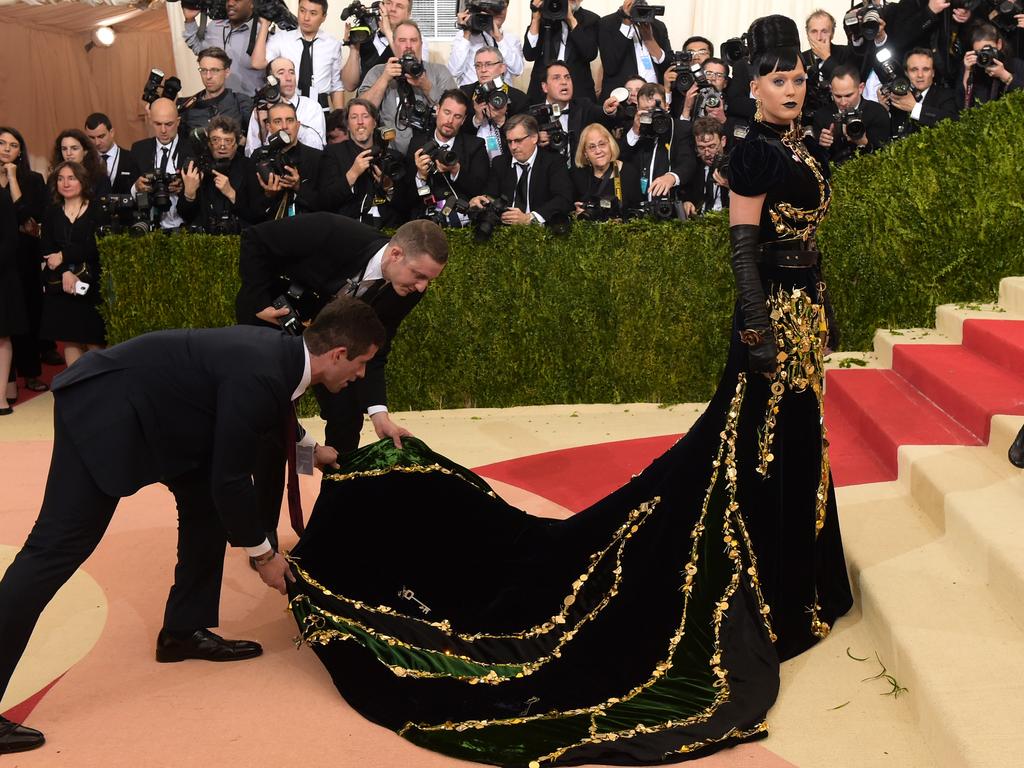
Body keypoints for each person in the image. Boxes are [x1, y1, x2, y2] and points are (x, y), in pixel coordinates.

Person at [281, 17, 853, 766]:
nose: (792, 88)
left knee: (800, 440)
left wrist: (821, 303)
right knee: (758, 445)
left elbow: (804, 239)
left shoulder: (799, 149)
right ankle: (770, 582)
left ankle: (800, 579)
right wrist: (757, 328)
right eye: (778, 80)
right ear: (752, 87)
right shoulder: (749, 154)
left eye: (798, 78)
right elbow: (743, 247)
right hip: (769, 325)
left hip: (802, 315)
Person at [0, 295, 386, 755]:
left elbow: (270, 414)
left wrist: (310, 451)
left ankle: (183, 631)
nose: (361, 376)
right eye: (362, 365)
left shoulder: (285, 355)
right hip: (104, 410)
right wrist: (263, 555)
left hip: (167, 418)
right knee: (53, 552)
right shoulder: (265, 369)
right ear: (339, 355)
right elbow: (231, 479)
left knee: (204, 510)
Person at [38, 162, 105, 367]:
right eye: (60, 179)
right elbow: (46, 249)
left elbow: (96, 246)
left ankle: (103, 390)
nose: (65, 183)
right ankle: (77, 390)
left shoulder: (96, 208)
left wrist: (64, 255)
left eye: (71, 178)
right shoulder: (52, 211)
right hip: (61, 284)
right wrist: (65, 272)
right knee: (69, 339)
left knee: (96, 341)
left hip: (91, 283)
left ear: (82, 181)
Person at [357, 20, 458, 154]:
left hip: (432, 153)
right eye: (402, 40)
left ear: (421, 44)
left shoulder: (439, 71)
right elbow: (362, 111)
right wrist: (384, 79)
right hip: (391, 154)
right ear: (394, 44)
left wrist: (427, 87)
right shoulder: (378, 72)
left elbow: (456, 112)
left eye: (414, 40)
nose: (408, 46)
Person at [0, 127, 48, 404]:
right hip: (1, 260)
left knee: (27, 314)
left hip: (24, 257)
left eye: (13, 145)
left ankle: (31, 372)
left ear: (21, 152)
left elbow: (29, 219)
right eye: (2, 143)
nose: (7, 148)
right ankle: (7, 379)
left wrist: (12, 177)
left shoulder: (31, 179)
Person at [469, 113, 574, 227]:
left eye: (518, 140)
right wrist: (481, 200)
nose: (513, 147)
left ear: (534, 137)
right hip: (504, 231)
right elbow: (491, 195)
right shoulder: (500, 163)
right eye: (510, 141)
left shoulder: (554, 162)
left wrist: (529, 218)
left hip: (541, 232)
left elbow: (563, 199)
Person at [318, 98, 410, 227]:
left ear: (374, 122)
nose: (360, 122)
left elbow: (407, 205)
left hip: (389, 231)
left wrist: (389, 187)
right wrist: (352, 174)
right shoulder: (333, 154)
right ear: (348, 125)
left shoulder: (394, 157)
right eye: (354, 117)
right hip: (350, 229)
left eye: (365, 116)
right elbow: (325, 201)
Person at [408, 89, 488, 226]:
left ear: (463, 120)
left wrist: (456, 171)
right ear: (437, 110)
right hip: (425, 220)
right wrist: (420, 176)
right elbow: (406, 196)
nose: (450, 121)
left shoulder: (475, 145)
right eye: (447, 112)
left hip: (463, 222)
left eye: (457, 116)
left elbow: (481, 189)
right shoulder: (418, 143)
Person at [252, 0, 344, 113]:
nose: (306, 18)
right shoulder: (281, 39)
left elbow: (336, 86)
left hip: (320, 109)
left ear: (323, 17)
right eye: (302, 11)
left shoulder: (332, 44)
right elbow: (257, 63)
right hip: (286, 107)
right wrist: (265, 25)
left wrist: (340, 119)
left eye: (313, 13)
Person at [179, 115, 263, 232]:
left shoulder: (249, 167)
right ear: (209, 143)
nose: (222, 145)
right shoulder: (197, 168)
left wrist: (231, 194)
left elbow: (257, 215)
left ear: (237, 143)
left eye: (228, 140)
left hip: (239, 237)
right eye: (216, 140)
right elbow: (185, 216)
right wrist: (189, 194)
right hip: (203, 239)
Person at [130, 98, 194, 231]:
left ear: (178, 122)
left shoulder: (193, 150)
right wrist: (137, 187)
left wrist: (184, 189)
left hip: (186, 227)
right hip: (150, 228)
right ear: (150, 121)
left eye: (169, 124)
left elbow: (203, 195)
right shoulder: (139, 150)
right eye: (157, 124)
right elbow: (127, 193)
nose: (163, 130)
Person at [341, 0, 431, 93]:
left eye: (399, 6)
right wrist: (354, 50)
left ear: (408, 14)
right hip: (366, 103)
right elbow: (349, 86)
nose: (392, 9)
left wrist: (388, 31)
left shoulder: (415, 40)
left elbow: (416, 75)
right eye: (388, 3)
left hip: (397, 103)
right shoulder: (366, 37)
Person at [253, 101, 324, 218]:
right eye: (277, 121)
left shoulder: (317, 157)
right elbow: (251, 207)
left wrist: (299, 187)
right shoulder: (259, 156)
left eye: (290, 120)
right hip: (270, 229)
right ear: (268, 127)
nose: (284, 126)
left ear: (298, 125)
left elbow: (326, 204)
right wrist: (269, 194)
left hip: (307, 228)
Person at [182, 0, 264, 99]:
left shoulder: (261, 32)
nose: (231, 3)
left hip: (251, 104)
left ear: (252, 3)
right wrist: (190, 20)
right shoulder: (215, 26)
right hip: (219, 104)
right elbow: (200, 50)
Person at [523, 0, 599, 103]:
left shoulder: (591, 19)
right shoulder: (546, 13)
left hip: (578, 92)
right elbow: (529, 54)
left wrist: (571, 19)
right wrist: (536, 18)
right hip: (542, 91)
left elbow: (590, 53)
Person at [246, 57, 327, 153]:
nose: (289, 78)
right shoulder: (261, 109)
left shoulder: (312, 107)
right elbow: (250, 153)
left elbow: (317, 147)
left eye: (292, 72)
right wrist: (263, 129)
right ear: (270, 80)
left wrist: (293, 125)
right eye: (281, 73)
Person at [597, 0, 673, 99]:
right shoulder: (607, 23)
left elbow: (667, 65)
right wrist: (626, 22)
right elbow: (610, 66)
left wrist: (650, 40)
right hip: (621, 100)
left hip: (653, 99)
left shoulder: (658, 26)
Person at [570, 122, 642, 220]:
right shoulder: (578, 176)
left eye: (602, 144)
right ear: (585, 153)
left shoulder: (629, 173)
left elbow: (639, 214)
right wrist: (578, 214)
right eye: (592, 147)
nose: (598, 151)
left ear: (610, 145)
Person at [881, 47, 958, 138]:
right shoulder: (897, 99)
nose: (920, 75)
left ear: (933, 73)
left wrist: (915, 108)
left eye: (925, 69)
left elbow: (954, 123)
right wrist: (883, 111)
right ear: (906, 73)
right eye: (914, 70)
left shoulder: (947, 95)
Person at [448, 0, 524, 86]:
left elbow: (518, 71)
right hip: (471, 95)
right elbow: (453, 72)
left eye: (503, 7)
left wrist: (499, 38)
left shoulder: (511, 39)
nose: (499, 12)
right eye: (495, 7)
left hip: (501, 96)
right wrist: (467, 33)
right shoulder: (465, 37)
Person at [178, 47, 255, 131]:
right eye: (203, 70)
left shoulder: (240, 103)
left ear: (226, 72)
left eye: (214, 70)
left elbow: (253, 139)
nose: (208, 76)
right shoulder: (186, 106)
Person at [682, 116, 730, 216]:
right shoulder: (692, 168)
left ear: (723, 141)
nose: (707, 154)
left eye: (712, 146)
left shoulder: (736, 167)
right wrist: (686, 203)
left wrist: (732, 186)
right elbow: (685, 195)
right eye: (701, 148)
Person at [84, 113, 142, 194]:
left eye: (101, 136)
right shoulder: (84, 161)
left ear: (112, 132)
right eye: (92, 138)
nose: (97, 142)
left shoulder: (131, 158)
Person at [48, 129, 110, 196]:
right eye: (64, 149)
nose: (68, 153)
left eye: (74, 148)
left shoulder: (100, 179)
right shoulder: (53, 178)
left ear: (85, 151)